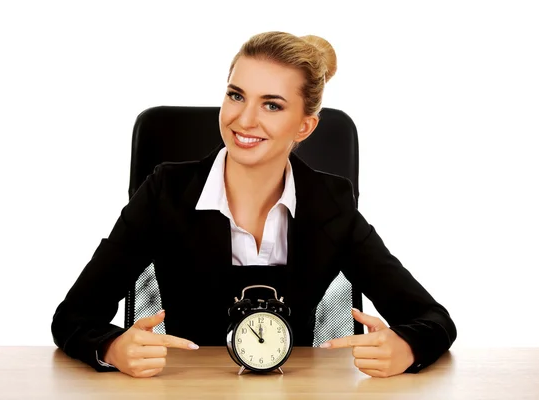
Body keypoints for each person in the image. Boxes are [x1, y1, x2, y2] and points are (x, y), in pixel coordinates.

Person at [51, 31, 456, 379]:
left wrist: (407, 347)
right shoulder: (165, 192)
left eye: (272, 105)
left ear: (304, 125)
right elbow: (72, 318)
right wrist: (111, 349)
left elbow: (434, 320)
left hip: (295, 393)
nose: (244, 119)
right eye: (236, 95)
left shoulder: (330, 203)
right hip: (185, 391)